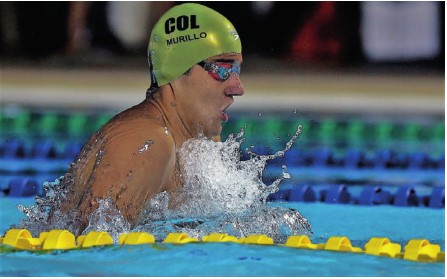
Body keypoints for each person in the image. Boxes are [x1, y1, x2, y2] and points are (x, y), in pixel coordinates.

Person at [55, 3, 244, 233]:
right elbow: (89, 252)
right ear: (176, 70)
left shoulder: (196, 145)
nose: (237, 87)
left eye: (237, 71)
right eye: (222, 69)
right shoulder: (147, 143)